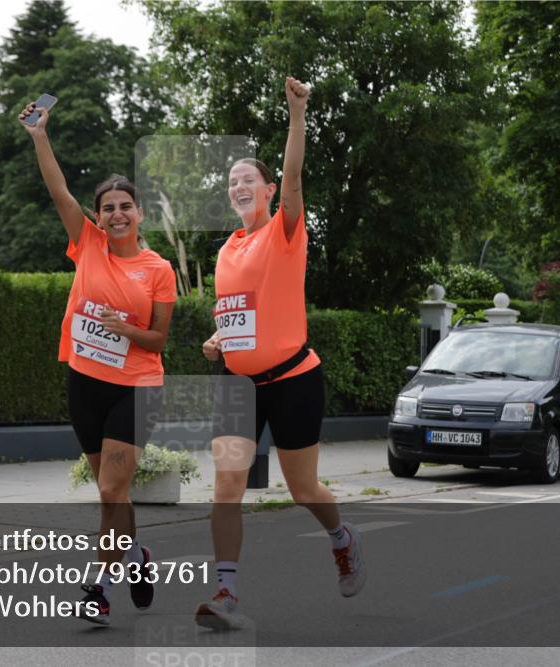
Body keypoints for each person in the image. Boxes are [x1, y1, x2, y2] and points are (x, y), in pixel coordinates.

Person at [195, 77, 365, 631]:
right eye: (232, 182)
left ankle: (340, 537)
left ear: (269, 190)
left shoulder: (285, 232)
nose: (239, 186)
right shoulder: (226, 249)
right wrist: (219, 338)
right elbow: (239, 313)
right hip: (238, 384)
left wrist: (297, 115)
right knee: (226, 485)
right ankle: (226, 593)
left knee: (302, 489)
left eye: (248, 179)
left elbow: (294, 176)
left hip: (293, 378)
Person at [19, 100, 177, 626]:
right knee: (113, 496)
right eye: (107, 208)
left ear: (139, 214)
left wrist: (123, 329)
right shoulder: (86, 244)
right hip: (85, 384)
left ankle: (99, 588)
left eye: (125, 206)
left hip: (137, 388)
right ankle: (137, 556)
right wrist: (40, 136)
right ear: (99, 216)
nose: (116, 214)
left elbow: (158, 340)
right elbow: (58, 191)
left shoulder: (158, 269)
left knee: (111, 490)